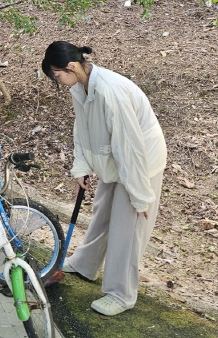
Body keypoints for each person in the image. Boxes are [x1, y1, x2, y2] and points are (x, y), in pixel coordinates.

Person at [41, 41, 167, 317]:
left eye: (57, 75)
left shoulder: (111, 92)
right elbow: (83, 129)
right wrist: (82, 167)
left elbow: (130, 147)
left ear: (71, 66)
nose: (58, 81)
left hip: (140, 162)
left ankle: (120, 293)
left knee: (127, 228)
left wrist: (140, 195)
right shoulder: (80, 87)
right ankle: (86, 264)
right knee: (103, 213)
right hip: (114, 158)